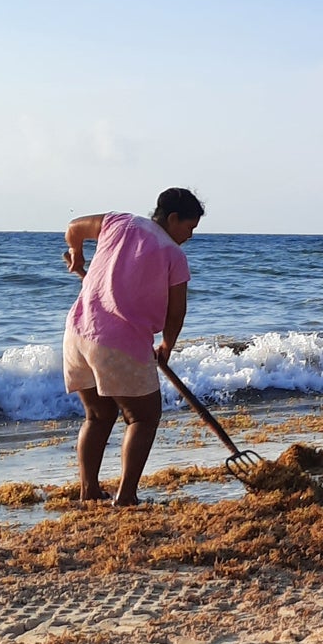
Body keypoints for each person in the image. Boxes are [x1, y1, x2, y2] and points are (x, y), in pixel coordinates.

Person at [62, 188, 205, 506]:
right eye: (189, 228)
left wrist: (77, 254)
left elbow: (74, 228)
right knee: (143, 417)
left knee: (98, 417)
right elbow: (176, 312)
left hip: (78, 333)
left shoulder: (118, 221)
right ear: (172, 219)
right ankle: (126, 496)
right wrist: (167, 344)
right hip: (119, 342)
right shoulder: (173, 255)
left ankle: (89, 491)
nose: (189, 236)